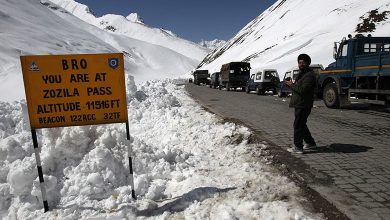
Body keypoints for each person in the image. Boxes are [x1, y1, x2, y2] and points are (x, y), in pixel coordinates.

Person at [285, 54, 317, 154]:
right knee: (301, 124)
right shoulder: (302, 74)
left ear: (307, 63)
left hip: (304, 104)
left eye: (303, 62)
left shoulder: (309, 75)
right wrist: (291, 84)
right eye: (299, 62)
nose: (301, 64)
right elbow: (298, 87)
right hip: (300, 103)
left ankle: (298, 147)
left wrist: (292, 85)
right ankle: (310, 143)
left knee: (298, 125)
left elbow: (303, 90)